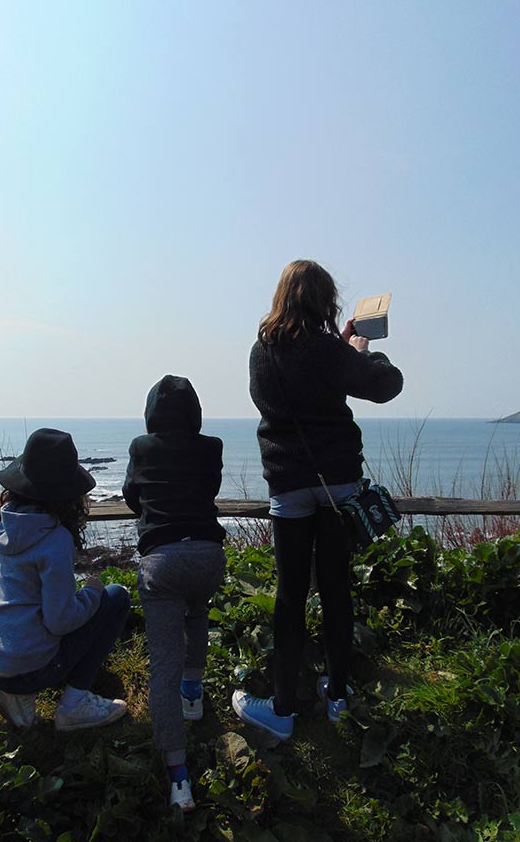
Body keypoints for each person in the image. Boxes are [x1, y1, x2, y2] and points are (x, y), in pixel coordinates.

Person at [232, 260, 403, 741]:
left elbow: (271, 404)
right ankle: (338, 696)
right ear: (324, 300)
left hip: (287, 482)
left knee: (290, 596)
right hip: (337, 483)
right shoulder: (330, 350)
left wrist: (342, 348)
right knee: (335, 588)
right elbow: (384, 387)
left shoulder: (261, 352)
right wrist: (364, 352)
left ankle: (283, 710)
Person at [0, 428, 131, 731]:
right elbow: (60, 621)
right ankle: (75, 704)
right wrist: (92, 592)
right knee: (116, 596)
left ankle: (16, 695)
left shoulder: (2, 525)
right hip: (28, 665)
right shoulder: (54, 538)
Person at [123, 375, 226, 812]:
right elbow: (211, 491)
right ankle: (193, 695)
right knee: (197, 612)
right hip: (207, 557)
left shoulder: (141, 448)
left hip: (162, 562)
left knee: (161, 662)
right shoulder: (213, 447)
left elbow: (131, 495)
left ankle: (178, 775)